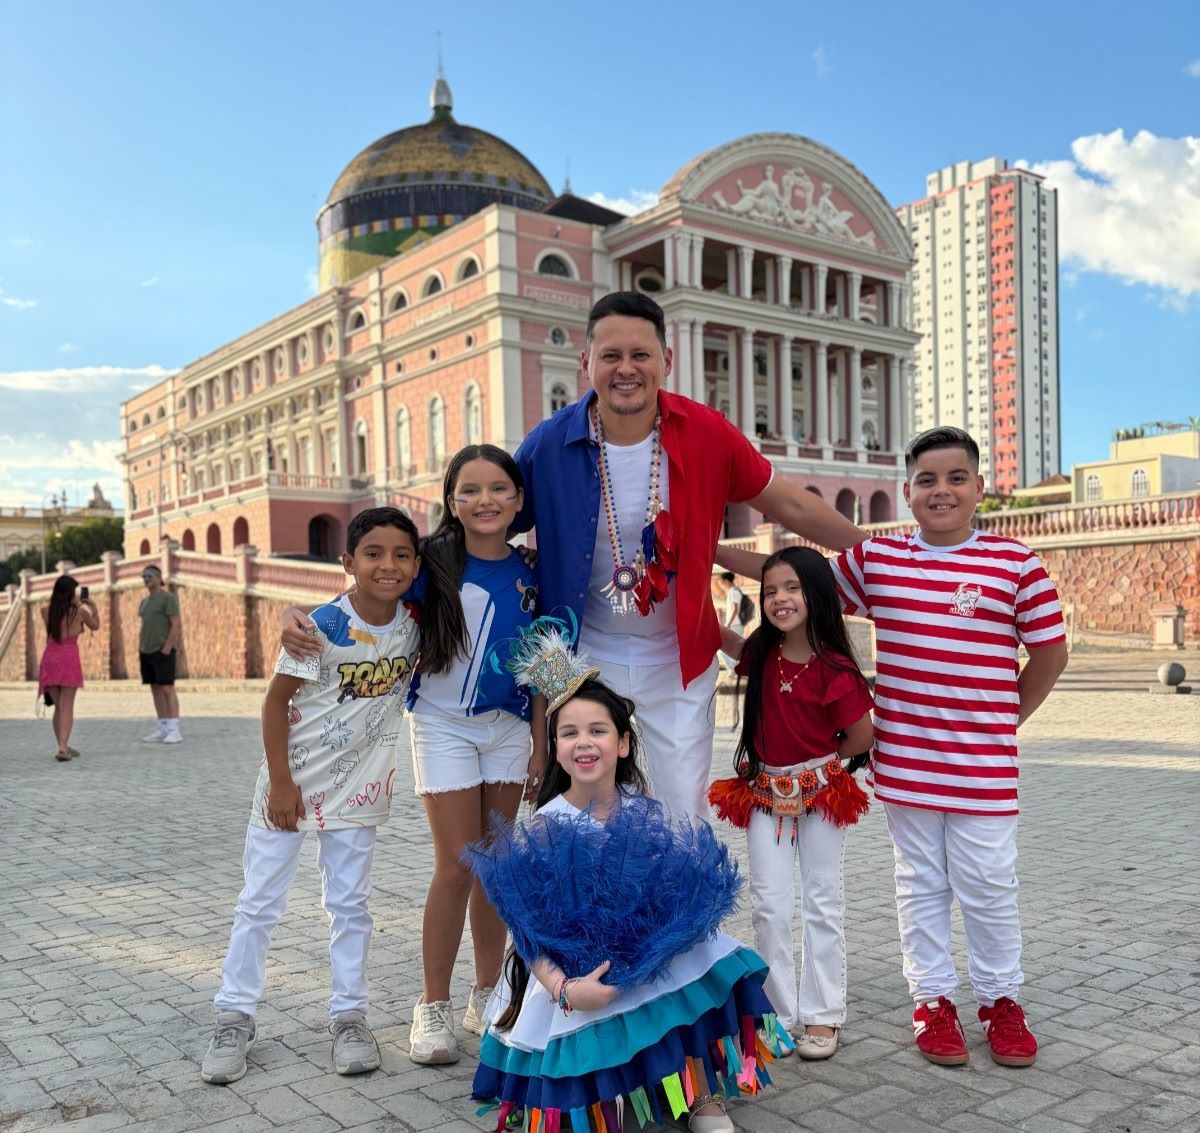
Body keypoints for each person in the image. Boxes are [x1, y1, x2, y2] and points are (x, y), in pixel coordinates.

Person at [719, 426, 1069, 1069]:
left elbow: (1050, 654)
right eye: (926, 480)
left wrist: (1005, 719)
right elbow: (791, 578)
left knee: (990, 885)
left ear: (979, 487)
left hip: (983, 771)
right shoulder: (879, 561)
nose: (942, 491)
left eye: (956, 478)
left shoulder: (1016, 563)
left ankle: (1000, 1001)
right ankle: (932, 1001)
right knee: (920, 886)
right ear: (907, 492)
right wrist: (704, 551)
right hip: (904, 765)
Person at [512, 290, 864, 821]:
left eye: (641, 355)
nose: (626, 369)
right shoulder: (548, 443)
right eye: (610, 356)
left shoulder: (707, 433)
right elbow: (491, 520)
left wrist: (881, 554)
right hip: (581, 659)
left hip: (677, 662)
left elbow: (790, 503)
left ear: (667, 360)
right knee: (581, 819)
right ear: (586, 363)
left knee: (683, 816)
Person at [466, 632, 792, 1133]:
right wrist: (566, 990)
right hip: (579, 977)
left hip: (648, 960)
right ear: (556, 750)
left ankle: (698, 1090)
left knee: (695, 962)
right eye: (569, 733)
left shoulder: (642, 809)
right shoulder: (546, 827)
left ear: (622, 743)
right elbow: (531, 939)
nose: (583, 742)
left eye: (597, 730)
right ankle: (619, 1092)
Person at [201, 507, 440, 1086]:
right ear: (347, 562)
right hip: (291, 787)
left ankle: (349, 1017)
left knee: (351, 906)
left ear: (416, 565)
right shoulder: (320, 627)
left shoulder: (416, 624)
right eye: (373, 554)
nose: (388, 565)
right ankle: (234, 1016)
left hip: (359, 791)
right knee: (259, 902)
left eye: (401, 554)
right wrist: (282, 783)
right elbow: (273, 702)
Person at [400, 446, 547, 1065]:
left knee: (495, 865)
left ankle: (488, 994)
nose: (486, 500)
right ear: (451, 501)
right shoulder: (428, 564)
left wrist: (541, 740)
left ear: (518, 499)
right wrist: (297, 621)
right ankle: (432, 1005)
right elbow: (365, 601)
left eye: (499, 488)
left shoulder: (534, 570)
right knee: (457, 865)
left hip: (509, 729)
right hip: (442, 724)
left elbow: (542, 658)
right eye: (470, 490)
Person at [708, 547, 873, 1061]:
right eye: (770, 591)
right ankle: (775, 1015)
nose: (780, 599)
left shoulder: (836, 667)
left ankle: (823, 1014)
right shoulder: (763, 652)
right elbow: (728, 643)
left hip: (822, 795)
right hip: (763, 795)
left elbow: (862, 735)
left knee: (822, 900)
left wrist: (817, 772)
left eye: (792, 588)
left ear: (817, 593)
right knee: (769, 904)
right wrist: (688, 599)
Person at [37, 574, 99, 761]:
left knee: (59, 707)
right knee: (67, 705)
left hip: (50, 658)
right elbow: (95, 626)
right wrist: (93, 608)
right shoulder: (80, 612)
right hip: (69, 658)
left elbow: (53, 631)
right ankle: (63, 749)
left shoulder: (46, 611)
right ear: (71, 592)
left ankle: (62, 746)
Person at [138, 564, 183, 744]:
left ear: (159, 578)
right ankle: (162, 726)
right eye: (144, 576)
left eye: (150, 575)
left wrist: (167, 648)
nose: (146, 579)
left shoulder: (168, 598)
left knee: (167, 688)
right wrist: (141, 647)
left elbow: (176, 624)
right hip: (146, 651)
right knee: (155, 689)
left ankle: (174, 729)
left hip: (163, 650)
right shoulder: (144, 602)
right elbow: (144, 626)